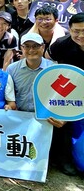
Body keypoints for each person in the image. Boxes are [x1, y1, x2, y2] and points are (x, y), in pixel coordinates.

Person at [49, 13, 84, 176]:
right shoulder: (61, 45)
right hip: (67, 93)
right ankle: (63, 159)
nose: (81, 35)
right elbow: (49, 63)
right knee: (58, 119)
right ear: (69, 29)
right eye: (76, 31)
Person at [6, 33, 53, 112]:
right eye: (27, 46)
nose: (31, 50)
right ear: (21, 48)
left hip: (46, 117)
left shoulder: (53, 69)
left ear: (43, 47)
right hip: (20, 116)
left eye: (36, 46)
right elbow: (8, 94)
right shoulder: (12, 69)